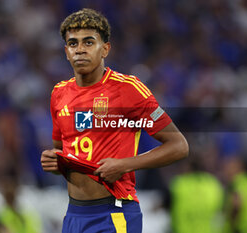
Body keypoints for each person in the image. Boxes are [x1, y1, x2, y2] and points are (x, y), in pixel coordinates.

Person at [40, 8, 189, 233]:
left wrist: (124, 165)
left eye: (88, 42)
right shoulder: (59, 94)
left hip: (114, 214)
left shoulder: (128, 90)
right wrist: (53, 163)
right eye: (73, 43)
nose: (80, 50)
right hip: (74, 215)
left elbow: (179, 146)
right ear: (66, 51)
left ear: (105, 49)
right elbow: (64, 156)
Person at [167, 156, 224, 233]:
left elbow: (166, 203)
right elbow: (221, 209)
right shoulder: (213, 184)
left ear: (188, 168)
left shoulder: (179, 184)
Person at [222, 156, 247, 233]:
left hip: (238, 229)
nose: (226, 171)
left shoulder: (239, 183)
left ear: (238, 168)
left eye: (229, 168)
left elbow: (237, 204)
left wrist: (232, 224)